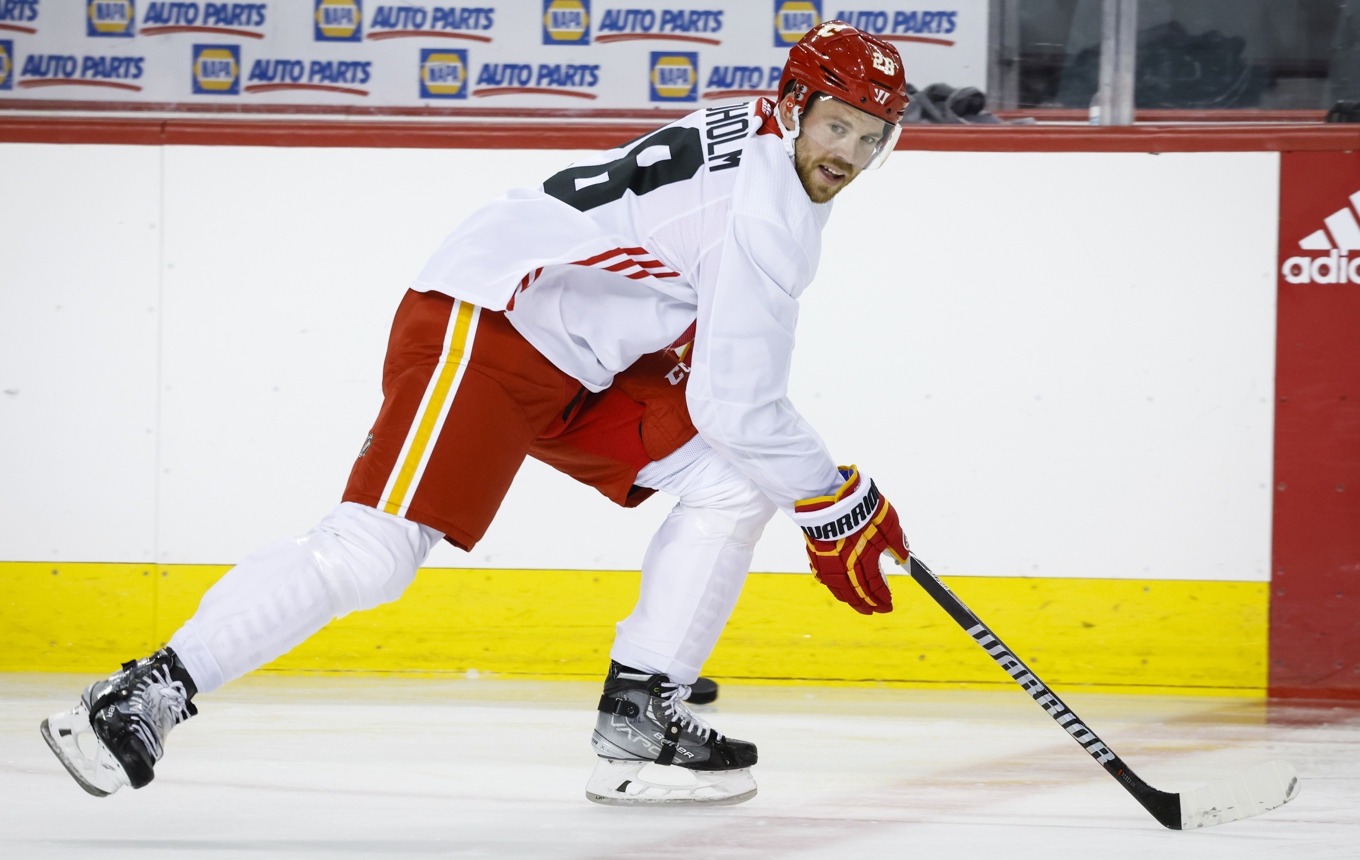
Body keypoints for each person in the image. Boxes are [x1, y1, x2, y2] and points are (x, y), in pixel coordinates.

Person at [41, 21, 913, 807]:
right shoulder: (766, 206)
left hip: (575, 352)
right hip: (491, 326)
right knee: (373, 554)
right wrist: (832, 499)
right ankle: (146, 691)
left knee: (729, 482)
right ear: (794, 105)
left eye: (870, 138)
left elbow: (680, 292)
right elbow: (740, 399)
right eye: (837, 125)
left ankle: (643, 718)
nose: (847, 152)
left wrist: (811, 487)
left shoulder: (760, 136)